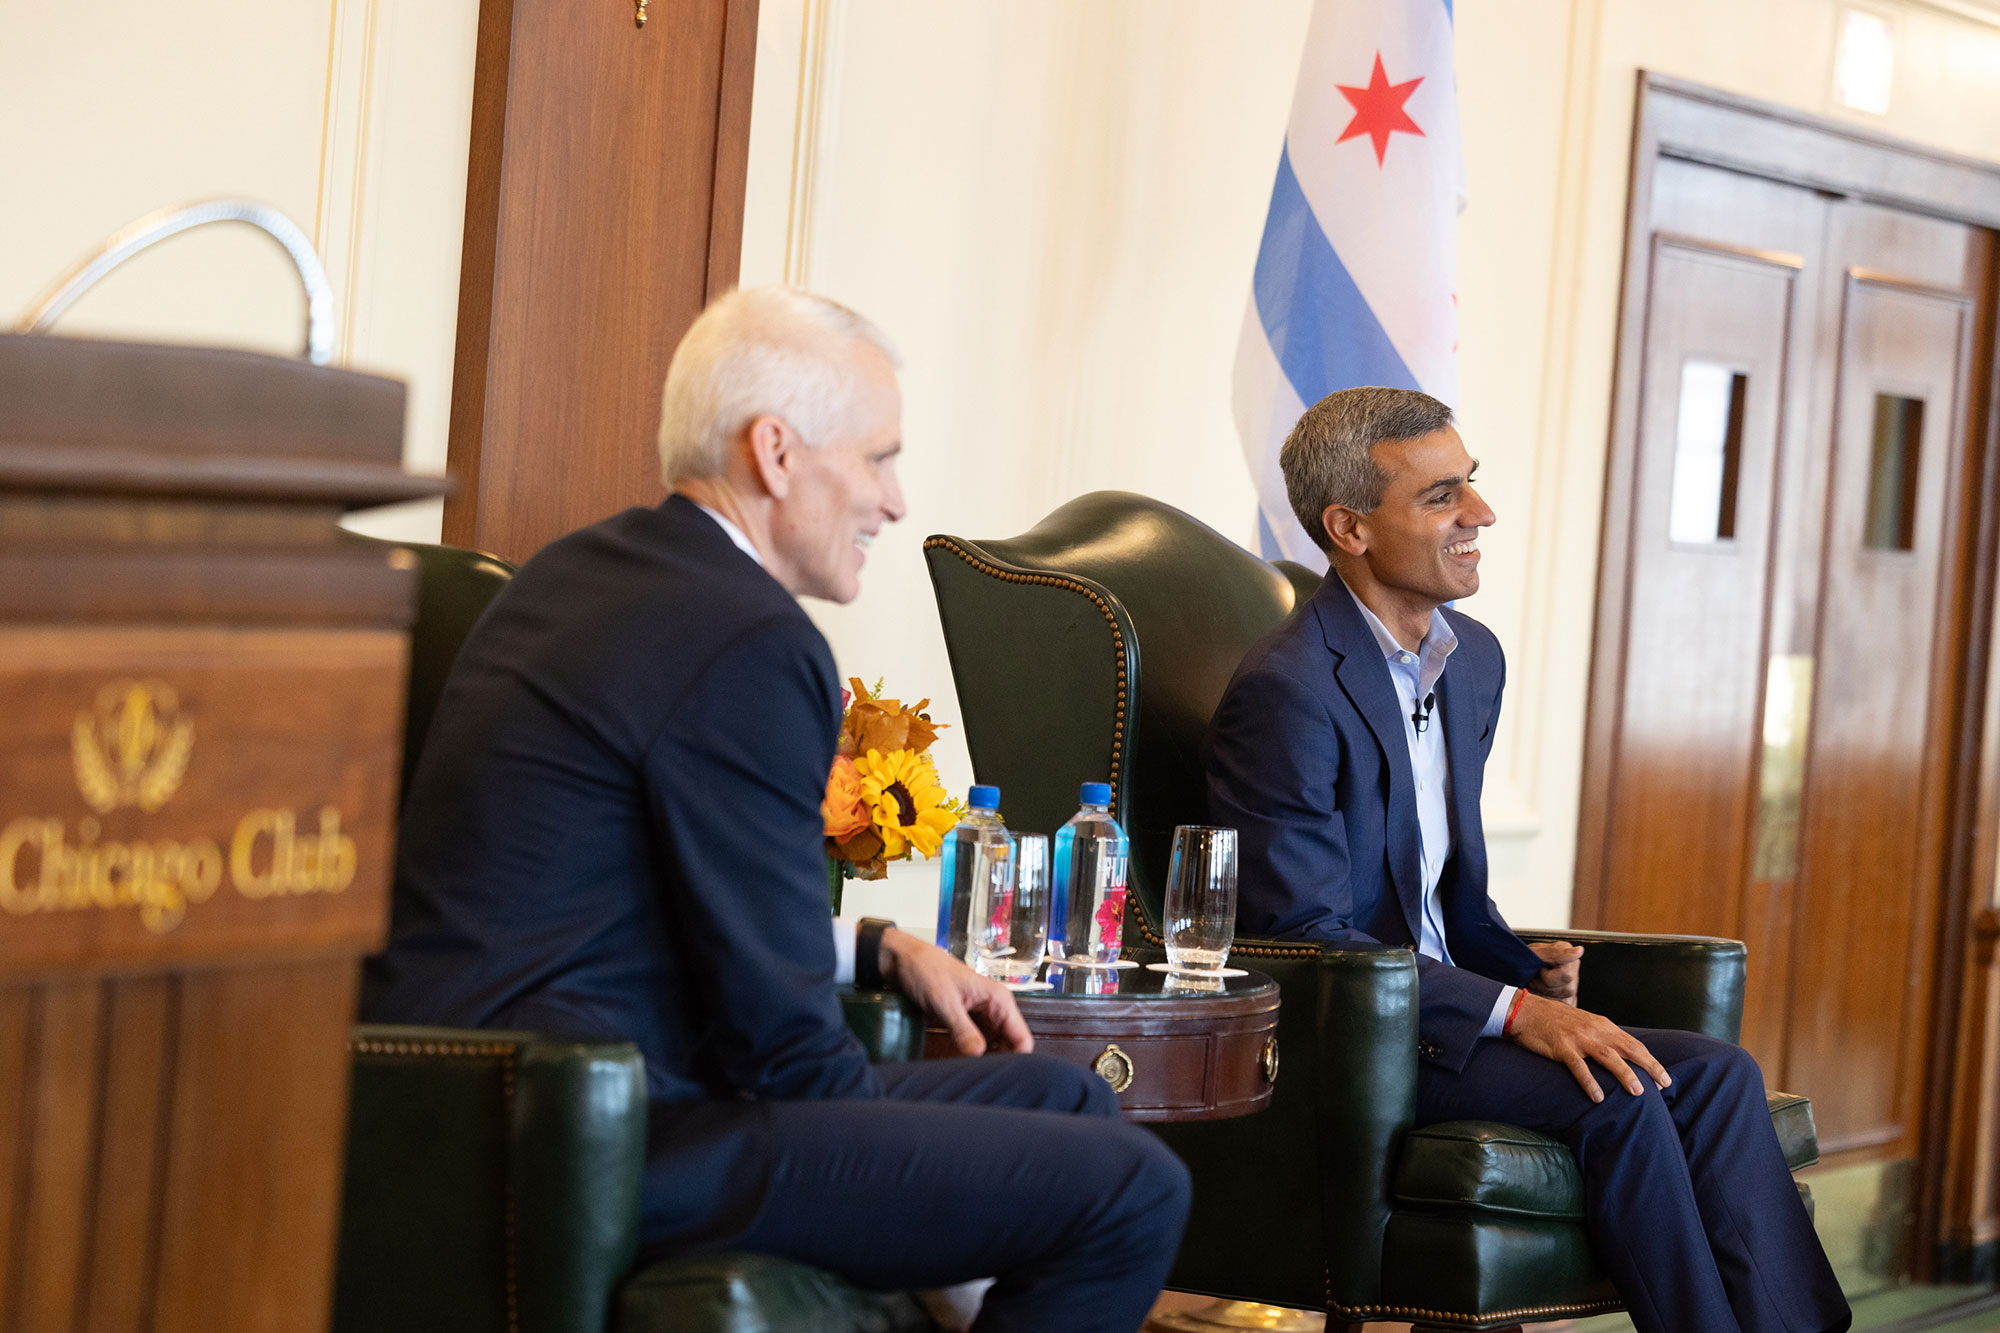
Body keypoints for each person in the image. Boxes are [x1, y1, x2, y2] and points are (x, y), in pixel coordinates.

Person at [363, 286, 1191, 1333]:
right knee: (1132, 1188)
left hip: (495, 1099)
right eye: (880, 458)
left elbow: (658, 885)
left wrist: (873, 942)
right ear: (777, 452)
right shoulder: (747, 637)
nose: (895, 501)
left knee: (1061, 1098)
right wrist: (936, 1197)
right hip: (587, 1129)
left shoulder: (584, 570)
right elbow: (785, 1048)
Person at [1205, 386, 1849, 1333]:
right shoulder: (1288, 691)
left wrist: (1518, 964)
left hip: (1444, 1004)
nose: (1481, 515)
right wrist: (1516, 1011)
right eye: (1440, 497)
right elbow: (1308, 936)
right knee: (1620, 1099)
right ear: (1349, 527)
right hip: (1353, 1037)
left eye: (1471, 484)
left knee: (1717, 1075)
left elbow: (1429, 886)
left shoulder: (1472, 662)